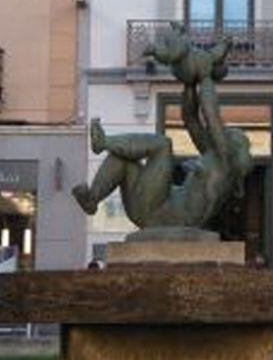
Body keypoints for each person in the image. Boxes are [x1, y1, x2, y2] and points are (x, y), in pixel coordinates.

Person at [71, 32, 254, 230]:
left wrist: (206, 78)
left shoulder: (225, 162)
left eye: (227, 135)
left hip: (170, 215)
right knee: (122, 158)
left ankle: (105, 143)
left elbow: (211, 116)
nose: (222, 133)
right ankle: (92, 199)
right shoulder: (214, 156)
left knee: (162, 145)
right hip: (157, 206)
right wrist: (190, 85)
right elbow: (190, 119)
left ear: (233, 147)